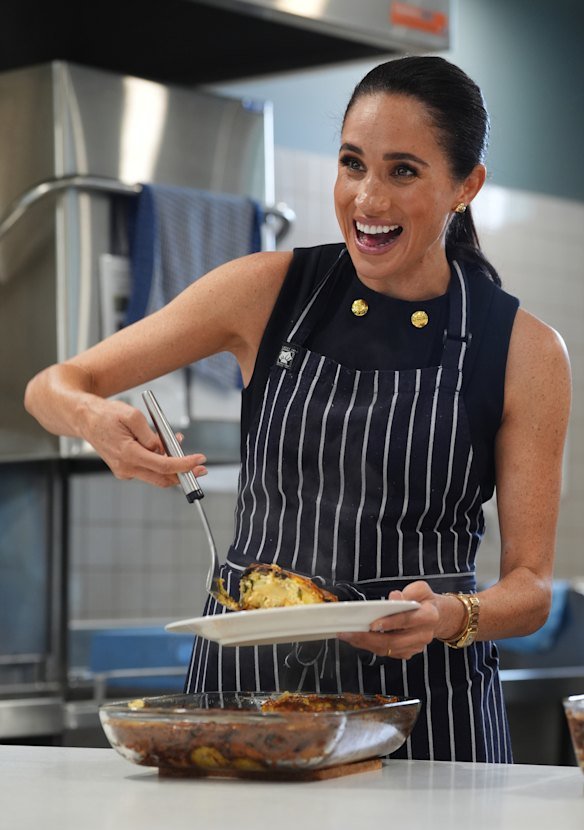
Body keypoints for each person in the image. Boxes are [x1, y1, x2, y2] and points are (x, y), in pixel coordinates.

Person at [24, 56, 571, 763]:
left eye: (402, 171)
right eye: (352, 164)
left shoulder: (525, 350)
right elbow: (54, 384)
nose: (367, 199)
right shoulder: (267, 290)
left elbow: (531, 590)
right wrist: (93, 419)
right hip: (246, 695)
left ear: (465, 186)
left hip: (429, 708)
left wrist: (449, 616)